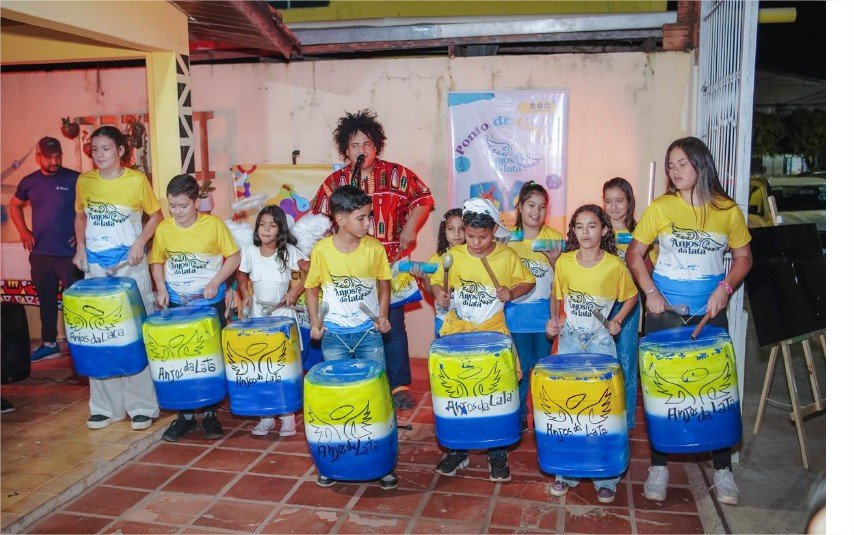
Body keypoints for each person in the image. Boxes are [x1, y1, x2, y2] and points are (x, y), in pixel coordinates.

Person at [626, 136, 752, 506]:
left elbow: (743, 256)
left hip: (709, 314)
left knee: (715, 387)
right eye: (670, 165)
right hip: (665, 314)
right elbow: (635, 254)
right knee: (663, 388)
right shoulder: (661, 207)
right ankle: (659, 465)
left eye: (682, 163)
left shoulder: (727, 210)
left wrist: (725, 288)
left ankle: (723, 469)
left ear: (701, 163)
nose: (674, 171)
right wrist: (651, 293)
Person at [311, 109, 434, 410]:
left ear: (376, 145)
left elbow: (424, 199)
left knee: (392, 325)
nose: (361, 150)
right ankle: (353, 386)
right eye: (354, 145)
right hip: (347, 271)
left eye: (366, 144)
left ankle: (397, 386)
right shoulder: (334, 182)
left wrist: (409, 229)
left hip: (388, 261)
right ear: (345, 149)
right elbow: (315, 221)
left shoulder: (397, 174)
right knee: (348, 331)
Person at [429, 197, 535, 482]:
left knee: (495, 394)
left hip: (493, 332)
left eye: (483, 237)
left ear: (494, 231)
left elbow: (529, 281)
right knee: (459, 391)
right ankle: (458, 449)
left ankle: (498, 453)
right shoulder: (454, 256)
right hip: (459, 332)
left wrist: (512, 293)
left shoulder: (506, 256)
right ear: (463, 230)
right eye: (471, 236)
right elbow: (437, 281)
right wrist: (439, 292)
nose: (476, 243)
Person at [304, 185, 398, 490]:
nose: (368, 224)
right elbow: (311, 288)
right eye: (361, 218)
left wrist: (382, 316)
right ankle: (335, 461)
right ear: (340, 218)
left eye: (369, 217)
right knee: (338, 398)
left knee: (376, 393)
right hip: (334, 336)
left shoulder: (373, 248)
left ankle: (382, 462)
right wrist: (315, 322)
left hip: (368, 334)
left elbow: (384, 284)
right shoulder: (322, 250)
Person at [545, 204, 638, 503]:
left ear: (605, 230)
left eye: (592, 226)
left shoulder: (614, 266)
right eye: (579, 226)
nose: (585, 232)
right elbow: (556, 295)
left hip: (600, 342)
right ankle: (566, 472)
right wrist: (554, 321)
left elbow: (632, 295)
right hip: (570, 340)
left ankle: (606, 476)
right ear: (573, 231)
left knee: (602, 408)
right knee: (568, 405)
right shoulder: (564, 263)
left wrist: (618, 320)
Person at [73, 126, 162, 431]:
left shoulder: (136, 181)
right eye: (95, 149)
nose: (99, 155)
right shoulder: (84, 182)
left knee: (133, 334)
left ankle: (142, 406)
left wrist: (140, 243)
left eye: (106, 149)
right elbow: (80, 216)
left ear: (121, 151)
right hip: (95, 268)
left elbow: (156, 215)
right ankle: (105, 407)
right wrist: (81, 248)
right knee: (99, 333)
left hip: (129, 266)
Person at [150, 174, 241, 442]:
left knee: (209, 359)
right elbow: (157, 261)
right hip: (178, 303)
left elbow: (234, 257)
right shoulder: (165, 230)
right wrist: (161, 288)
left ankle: (211, 414)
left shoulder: (213, 225)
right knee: (181, 358)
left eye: (183, 206)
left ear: (196, 203)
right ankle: (185, 417)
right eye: (172, 206)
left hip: (209, 303)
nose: (177, 212)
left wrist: (216, 281)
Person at [236, 205, 309, 437]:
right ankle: (266, 416)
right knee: (262, 366)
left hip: (283, 316)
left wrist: (295, 291)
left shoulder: (288, 251)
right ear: (257, 228)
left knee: (284, 367)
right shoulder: (249, 251)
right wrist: (246, 294)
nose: (266, 229)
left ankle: (287, 417)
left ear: (280, 229)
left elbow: (310, 270)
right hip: (259, 317)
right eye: (262, 224)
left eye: (272, 225)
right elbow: (240, 273)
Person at [10, 137, 82, 361]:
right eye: (49, 157)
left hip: (69, 255)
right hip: (41, 254)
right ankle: (50, 343)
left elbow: (88, 209)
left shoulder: (74, 179)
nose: (54, 161)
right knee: (47, 301)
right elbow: (14, 205)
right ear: (38, 157)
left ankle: (78, 343)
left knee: (75, 301)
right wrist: (23, 230)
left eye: (58, 156)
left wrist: (82, 237)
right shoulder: (29, 182)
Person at [504, 181, 563, 432]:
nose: (536, 212)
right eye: (530, 205)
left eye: (542, 207)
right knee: (519, 371)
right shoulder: (506, 240)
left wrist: (557, 262)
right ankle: (518, 415)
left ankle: (542, 414)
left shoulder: (555, 240)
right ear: (520, 206)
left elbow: (564, 282)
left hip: (544, 322)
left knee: (539, 370)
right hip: (514, 320)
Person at [602, 177, 644, 430]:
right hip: (600, 306)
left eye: (620, 201)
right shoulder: (599, 230)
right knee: (601, 360)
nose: (614, 207)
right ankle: (600, 414)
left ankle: (625, 422)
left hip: (628, 306)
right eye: (608, 201)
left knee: (626, 362)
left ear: (629, 202)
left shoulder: (641, 233)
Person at [410, 208, 465, 336]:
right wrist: (424, 279)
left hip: (468, 322)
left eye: (461, 228)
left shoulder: (472, 258)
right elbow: (430, 292)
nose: (456, 233)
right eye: (451, 229)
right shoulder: (436, 259)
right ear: (443, 231)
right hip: (444, 320)